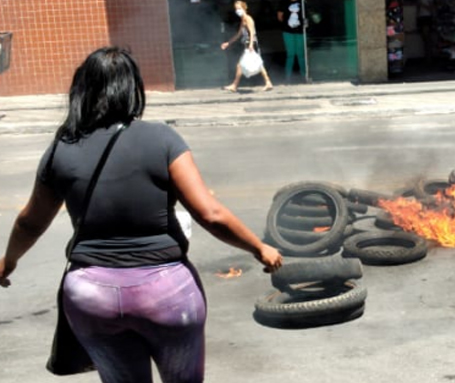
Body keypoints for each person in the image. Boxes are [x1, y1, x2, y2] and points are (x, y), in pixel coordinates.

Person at [0, 47, 283, 382]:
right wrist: (259, 248)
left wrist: (9, 261)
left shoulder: (62, 147)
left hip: (91, 297)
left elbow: (30, 222)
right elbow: (210, 214)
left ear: (83, 90)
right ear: (133, 88)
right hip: (167, 294)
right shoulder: (162, 139)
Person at [221, 0, 273, 93]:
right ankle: (268, 82)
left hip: (251, 44)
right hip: (248, 44)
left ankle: (234, 85)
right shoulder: (243, 20)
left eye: (239, 8)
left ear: (244, 8)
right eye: (236, 9)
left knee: (240, 65)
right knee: (259, 64)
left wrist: (251, 45)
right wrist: (228, 43)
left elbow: (252, 32)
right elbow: (238, 35)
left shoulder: (248, 19)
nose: (237, 10)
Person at [277, 0, 304, 83]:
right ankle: (287, 77)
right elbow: (279, 16)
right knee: (290, 54)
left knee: (301, 54)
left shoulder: (302, 1)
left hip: (300, 31)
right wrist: (287, 25)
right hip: (288, 32)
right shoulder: (283, 1)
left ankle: (304, 75)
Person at [416, 0, 436, 65]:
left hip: (427, 17)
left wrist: (422, 5)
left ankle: (430, 58)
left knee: (427, 38)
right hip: (421, 17)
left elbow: (431, 8)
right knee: (424, 38)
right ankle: (427, 57)